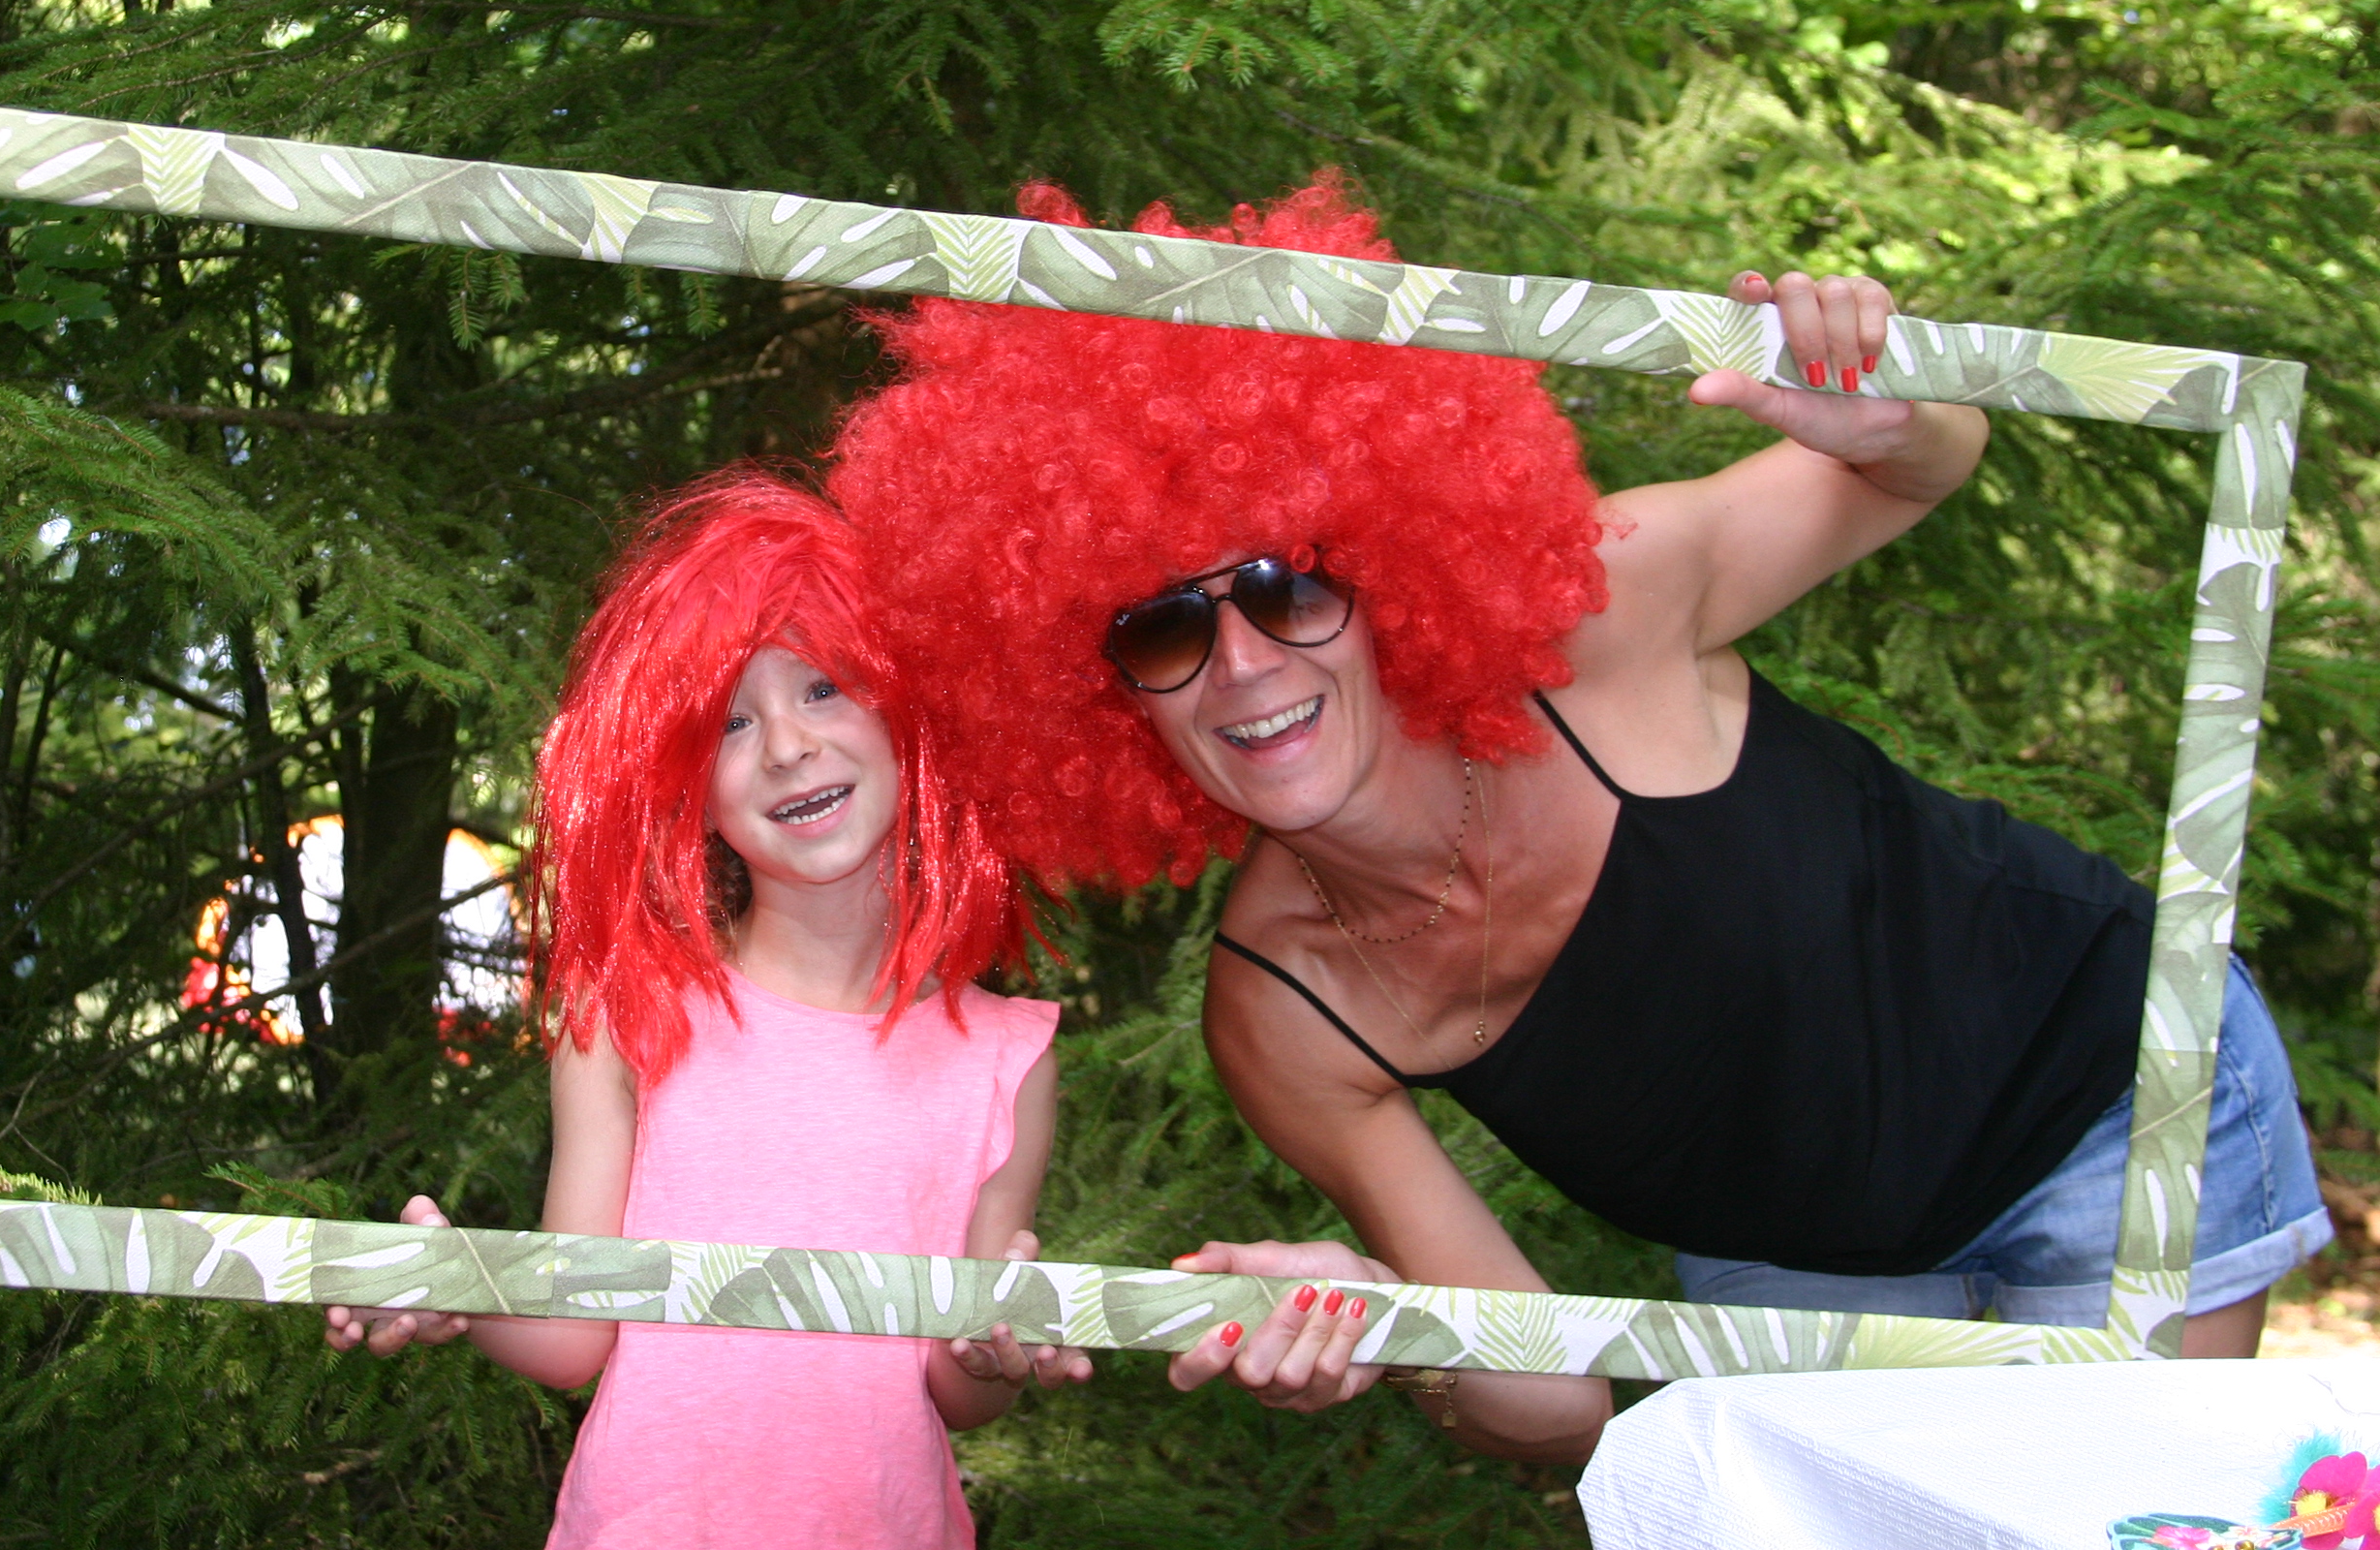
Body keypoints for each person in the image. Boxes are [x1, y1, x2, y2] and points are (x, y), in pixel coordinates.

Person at [825, 175, 2329, 1464]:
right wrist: (1396, 1323)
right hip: (1805, 1255)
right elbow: (1553, 1402)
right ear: (1103, 704)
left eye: (1287, 588)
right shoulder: (1289, 1011)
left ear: (1382, 578)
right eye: (1160, 629)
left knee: (2120, 1512)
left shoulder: (1596, 623)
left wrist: (1887, 400)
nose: (1244, 664)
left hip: (2105, 1093)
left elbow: (1927, 467)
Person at [321, 472, 1088, 1547]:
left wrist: (991, 1350)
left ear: (910, 709)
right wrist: (458, 1283)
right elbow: (574, 1332)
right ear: (688, 785)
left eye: (823, 687)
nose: (786, 745)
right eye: (731, 721)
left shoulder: (1005, 1057)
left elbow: (959, 1388)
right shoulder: (626, 1015)